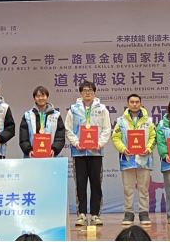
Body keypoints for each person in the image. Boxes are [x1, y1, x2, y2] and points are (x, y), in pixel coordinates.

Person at [64, 81, 111, 227]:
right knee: (80, 184)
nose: (87, 93)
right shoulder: (73, 109)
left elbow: (107, 129)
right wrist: (76, 142)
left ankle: (95, 215)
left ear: (94, 92)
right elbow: (68, 129)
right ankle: (82, 215)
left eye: (90, 90)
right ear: (80, 93)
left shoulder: (102, 109)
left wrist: (100, 143)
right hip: (79, 152)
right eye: (84, 90)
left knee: (96, 183)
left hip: (96, 152)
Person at [112, 94, 156, 226]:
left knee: (143, 189)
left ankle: (144, 213)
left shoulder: (149, 121)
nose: (135, 104)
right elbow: (115, 137)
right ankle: (128, 214)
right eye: (132, 102)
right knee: (128, 189)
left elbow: (153, 137)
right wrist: (123, 148)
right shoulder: (121, 121)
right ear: (127, 104)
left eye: (137, 102)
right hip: (127, 159)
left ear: (141, 104)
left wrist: (148, 149)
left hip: (144, 159)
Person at [19, 86, 66, 158]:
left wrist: (54, 149)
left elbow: (60, 136)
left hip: (50, 155)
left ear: (47, 97)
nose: (40, 98)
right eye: (38, 96)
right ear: (34, 98)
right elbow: (23, 137)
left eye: (43, 95)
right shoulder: (28, 115)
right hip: (32, 156)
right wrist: (29, 150)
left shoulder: (56, 115)